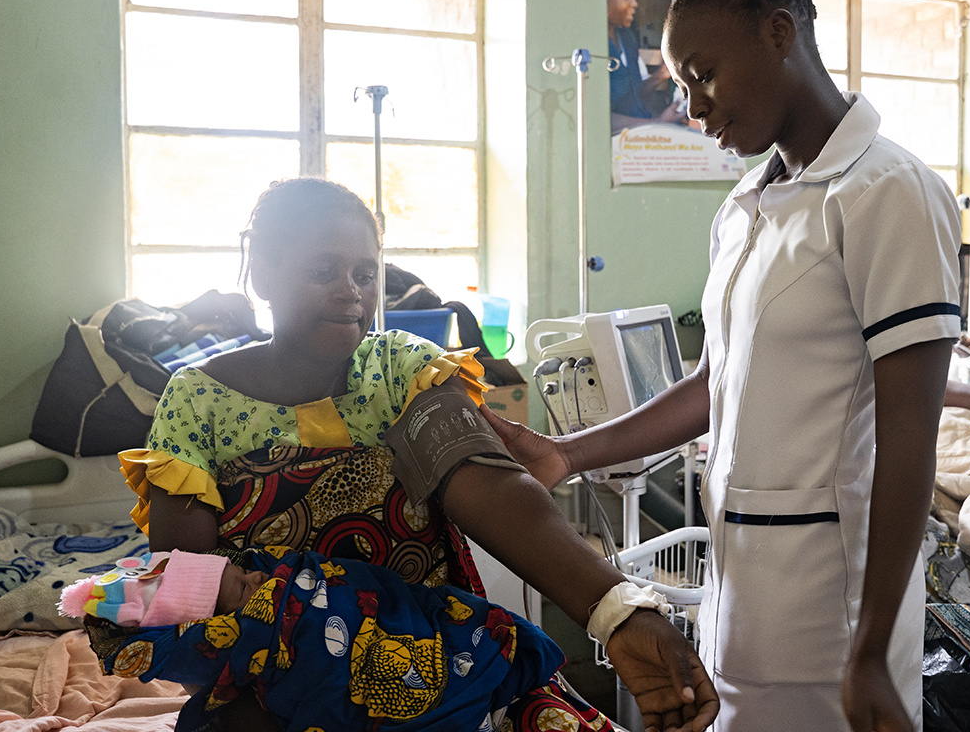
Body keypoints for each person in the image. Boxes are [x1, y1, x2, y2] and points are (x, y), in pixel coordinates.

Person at [481, 0, 963, 730]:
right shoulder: (746, 207)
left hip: (838, 613)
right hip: (741, 587)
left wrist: (874, 648)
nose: (692, 107)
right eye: (679, 84)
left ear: (780, 34)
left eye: (702, 76)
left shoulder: (888, 193)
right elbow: (714, 385)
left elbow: (912, 438)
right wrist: (568, 455)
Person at [113, 177, 718, 732]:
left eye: (365, 272)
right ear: (262, 274)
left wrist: (619, 613)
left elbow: (488, 482)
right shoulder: (198, 401)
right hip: (272, 671)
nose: (352, 292)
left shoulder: (400, 367)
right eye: (325, 269)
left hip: (433, 659)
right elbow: (186, 580)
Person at [64, 547, 570, 732]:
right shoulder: (237, 633)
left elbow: (367, 589)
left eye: (244, 573)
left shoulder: (285, 572)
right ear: (213, 619)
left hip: (412, 629)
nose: (259, 583)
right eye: (241, 589)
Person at [607, 0, 684, 134]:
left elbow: (632, 95)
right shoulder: (596, 43)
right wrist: (658, 122)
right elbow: (600, 118)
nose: (635, 3)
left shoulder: (626, 38)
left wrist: (661, 76)